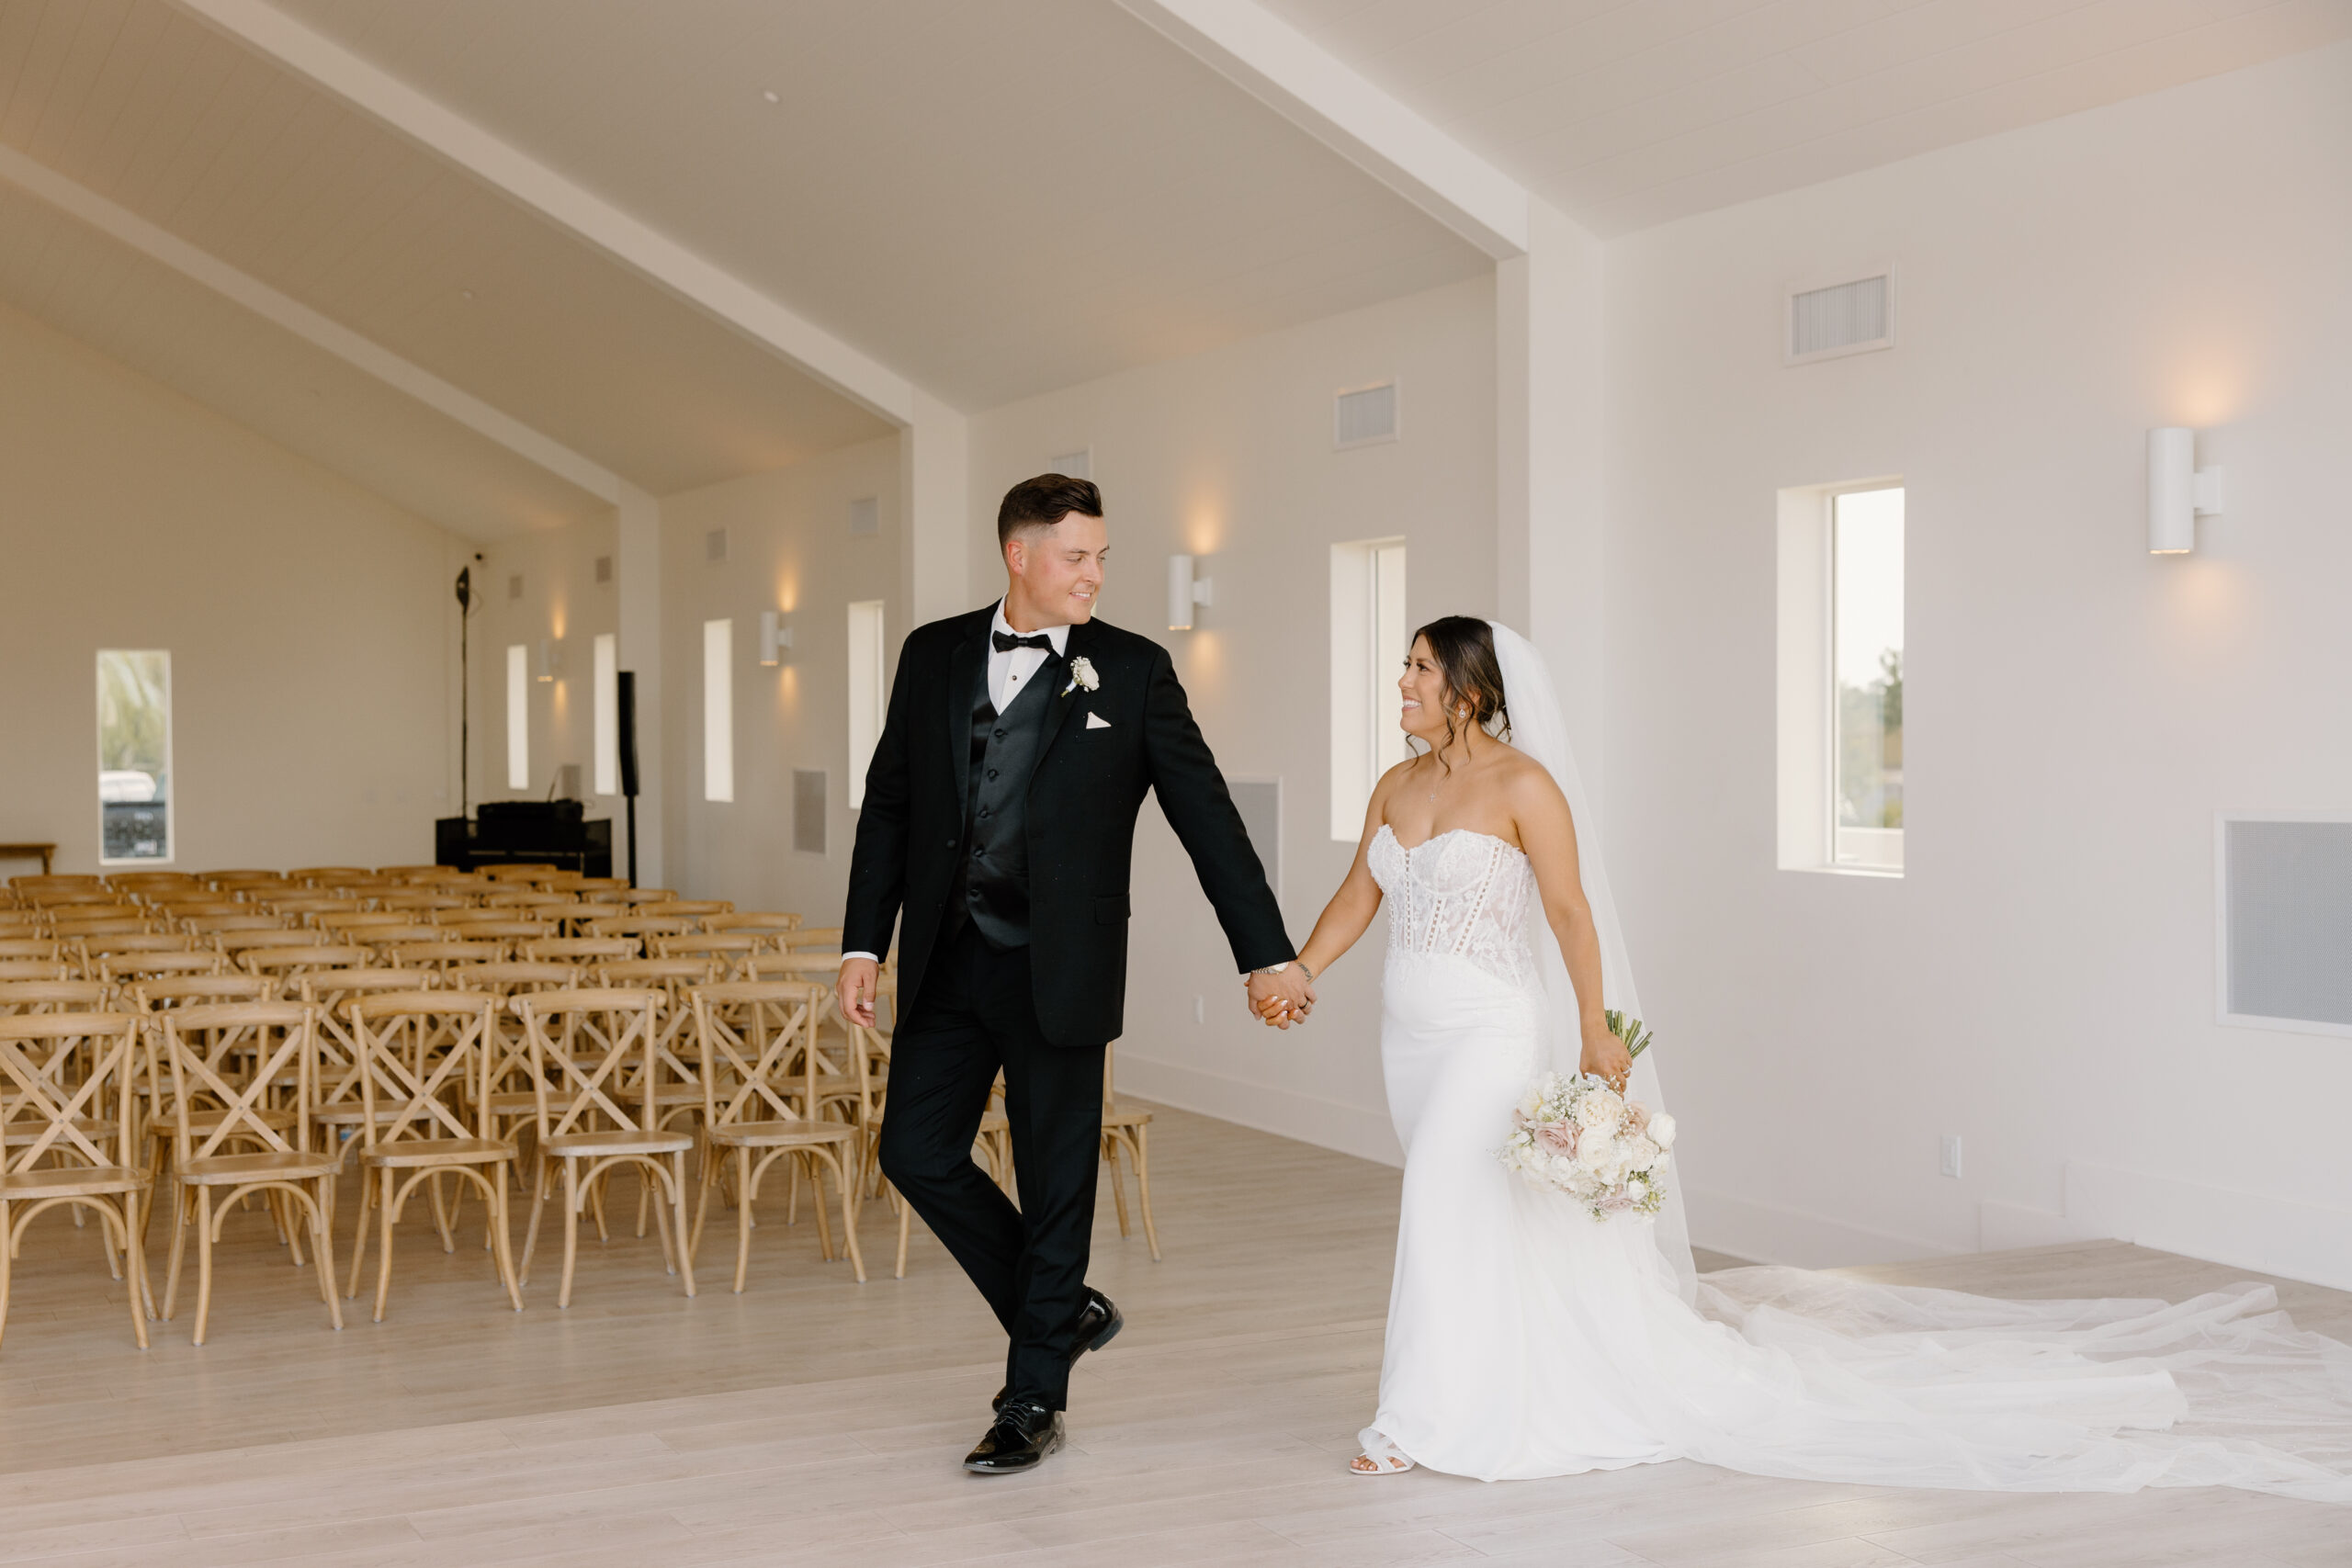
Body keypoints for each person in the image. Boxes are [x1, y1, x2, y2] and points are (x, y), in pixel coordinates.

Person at [1265, 614, 2352, 1497]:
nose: (1399, 683)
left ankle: (1415, 1417)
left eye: (1415, 668)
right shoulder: (1395, 789)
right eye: (1403, 667)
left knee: (1439, 1209)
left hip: (1490, 1036)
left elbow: (1569, 914)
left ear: (1470, 687)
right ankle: (1511, 1375)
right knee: (1475, 1219)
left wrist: (1596, 1030)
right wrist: (1301, 967)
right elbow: (1360, 893)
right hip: (1408, 1040)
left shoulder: (1523, 787)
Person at [839, 473, 1310, 1475]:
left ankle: (1030, 1398)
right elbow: (889, 807)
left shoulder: (1132, 672)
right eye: (1076, 557)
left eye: (1100, 557)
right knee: (914, 1152)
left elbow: (1206, 816)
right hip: (944, 962)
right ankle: (1062, 1311)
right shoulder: (932, 655)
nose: (1094, 574)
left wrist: (1263, 949)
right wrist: (861, 942)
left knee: (1057, 1183)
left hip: (1062, 966)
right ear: (1019, 555)